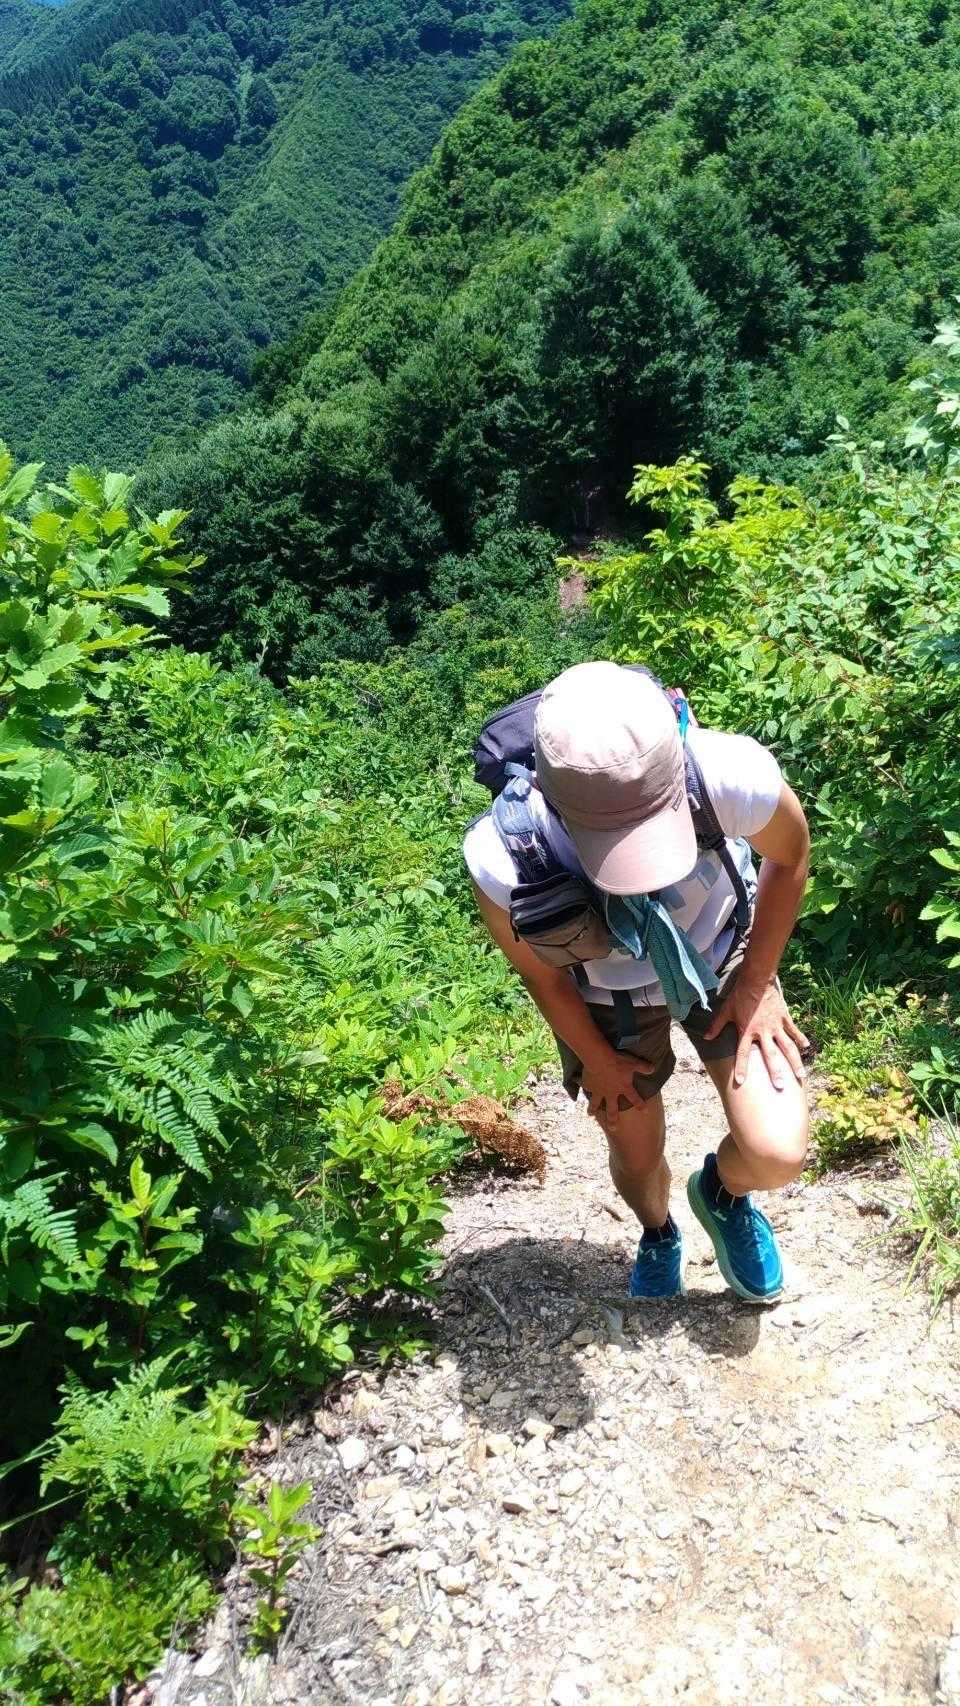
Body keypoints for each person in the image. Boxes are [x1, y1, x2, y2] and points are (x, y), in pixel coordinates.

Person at [463, 660, 810, 1302]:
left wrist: (758, 982)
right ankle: (658, 1232)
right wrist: (597, 1060)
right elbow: (544, 978)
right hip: (604, 996)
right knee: (635, 1150)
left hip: (722, 957)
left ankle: (723, 1194)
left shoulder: (728, 773)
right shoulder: (504, 853)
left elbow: (790, 856)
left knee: (777, 1150)